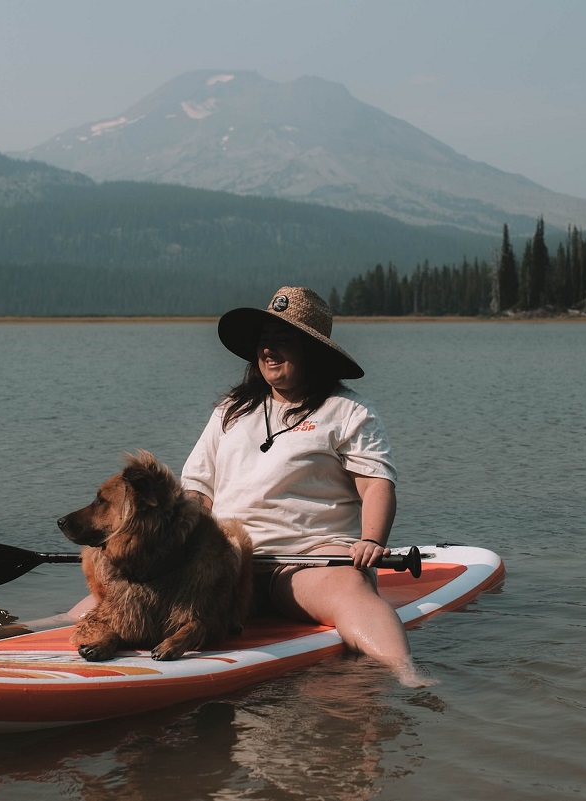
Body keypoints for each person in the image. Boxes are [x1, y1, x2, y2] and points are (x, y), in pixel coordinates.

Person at [180, 286, 436, 688]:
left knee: (350, 588)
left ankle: (407, 675)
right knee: (137, 578)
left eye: (284, 341)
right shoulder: (231, 410)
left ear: (312, 351)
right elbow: (197, 491)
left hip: (308, 561)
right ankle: (50, 629)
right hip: (231, 559)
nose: (269, 350)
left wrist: (371, 539)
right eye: (265, 341)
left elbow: (376, 486)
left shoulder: (348, 411)